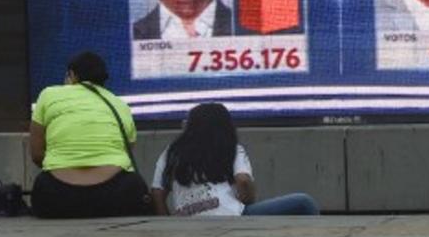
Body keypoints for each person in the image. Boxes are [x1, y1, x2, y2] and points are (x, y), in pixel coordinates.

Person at [29, 51, 152, 218]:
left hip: (57, 197)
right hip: (117, 197)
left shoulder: (49, 95)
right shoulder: (120, 105)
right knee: (135, 184)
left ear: (71, 75)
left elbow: (36, 154)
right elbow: (126, 152)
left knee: (41, 184)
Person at [151, 102, 320, 216]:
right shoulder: (231, 148)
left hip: (186, 220)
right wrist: (247, 201)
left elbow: (157, 193)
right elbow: (243, 181)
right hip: (230, 216)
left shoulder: (170, 153)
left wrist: (169, 223)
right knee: (305, 202)